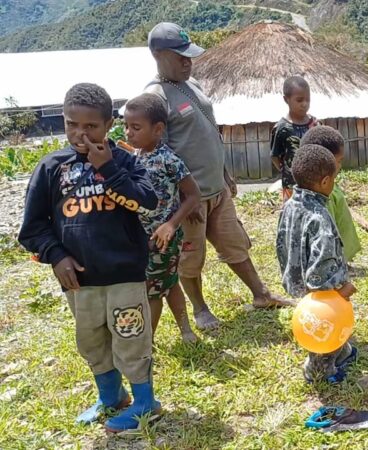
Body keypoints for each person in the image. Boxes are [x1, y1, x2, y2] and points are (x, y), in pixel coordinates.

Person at [18, 83, 161, 432]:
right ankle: (111, 398)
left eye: (91, 126)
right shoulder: (52, 167)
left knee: (131, 340)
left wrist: (109, 168)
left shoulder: (125, 160)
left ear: (109, 123)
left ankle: (145, 403)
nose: (80, 134)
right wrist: (56, 256)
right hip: (79, 280)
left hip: (124, 274)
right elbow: (33, 227)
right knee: (92, 341)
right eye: (71, 125)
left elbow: (147, 201)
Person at [144, 22, 291, 332]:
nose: (188, 62)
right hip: (189, 198)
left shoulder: (192, 83)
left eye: (189, 56)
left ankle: (261, 294)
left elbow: (209, 131)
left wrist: (225, 172)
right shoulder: (154, 98)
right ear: (158, 54)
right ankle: (200, 309)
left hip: (217, 188)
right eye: (180, 56)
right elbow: (159, 157)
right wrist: (187, 198)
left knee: (234, 242)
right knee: (190, 257)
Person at [275, 144, 358, 383]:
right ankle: (319, 370)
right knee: (324, 327)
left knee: (323, 325)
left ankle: (341, 352)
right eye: (334, 179)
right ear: (324, 182)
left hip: (295, 279)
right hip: (320, 293)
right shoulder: (319, 218)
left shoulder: (290, 204)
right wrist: (340, 291)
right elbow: (319, 272)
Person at [124, 93, 201, 344]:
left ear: (158, 129)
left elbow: (193, 195)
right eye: (126, 126)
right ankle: (186, 330)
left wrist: (171, 224)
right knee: (168, 282)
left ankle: (147, 342)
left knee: (153, 291)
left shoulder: (169, 159)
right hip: (144, 236)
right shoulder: (137, 156)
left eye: (135, 128)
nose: (128, 133)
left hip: (163, 237)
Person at [299, 125, 362, 262]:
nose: (340, 166)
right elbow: (328, 231)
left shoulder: (327, 188)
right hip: (332, 258)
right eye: (338, 161)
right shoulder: (324, 197)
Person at [271, 76, 317, 202]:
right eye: (299, 100)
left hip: (314, 184)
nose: (305, 104)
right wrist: (287, 172)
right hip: (291, 185)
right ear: (286, 99)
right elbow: (275, 156)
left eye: (308, 100)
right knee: (292, 215)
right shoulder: (282, 128)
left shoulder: (315, 124)